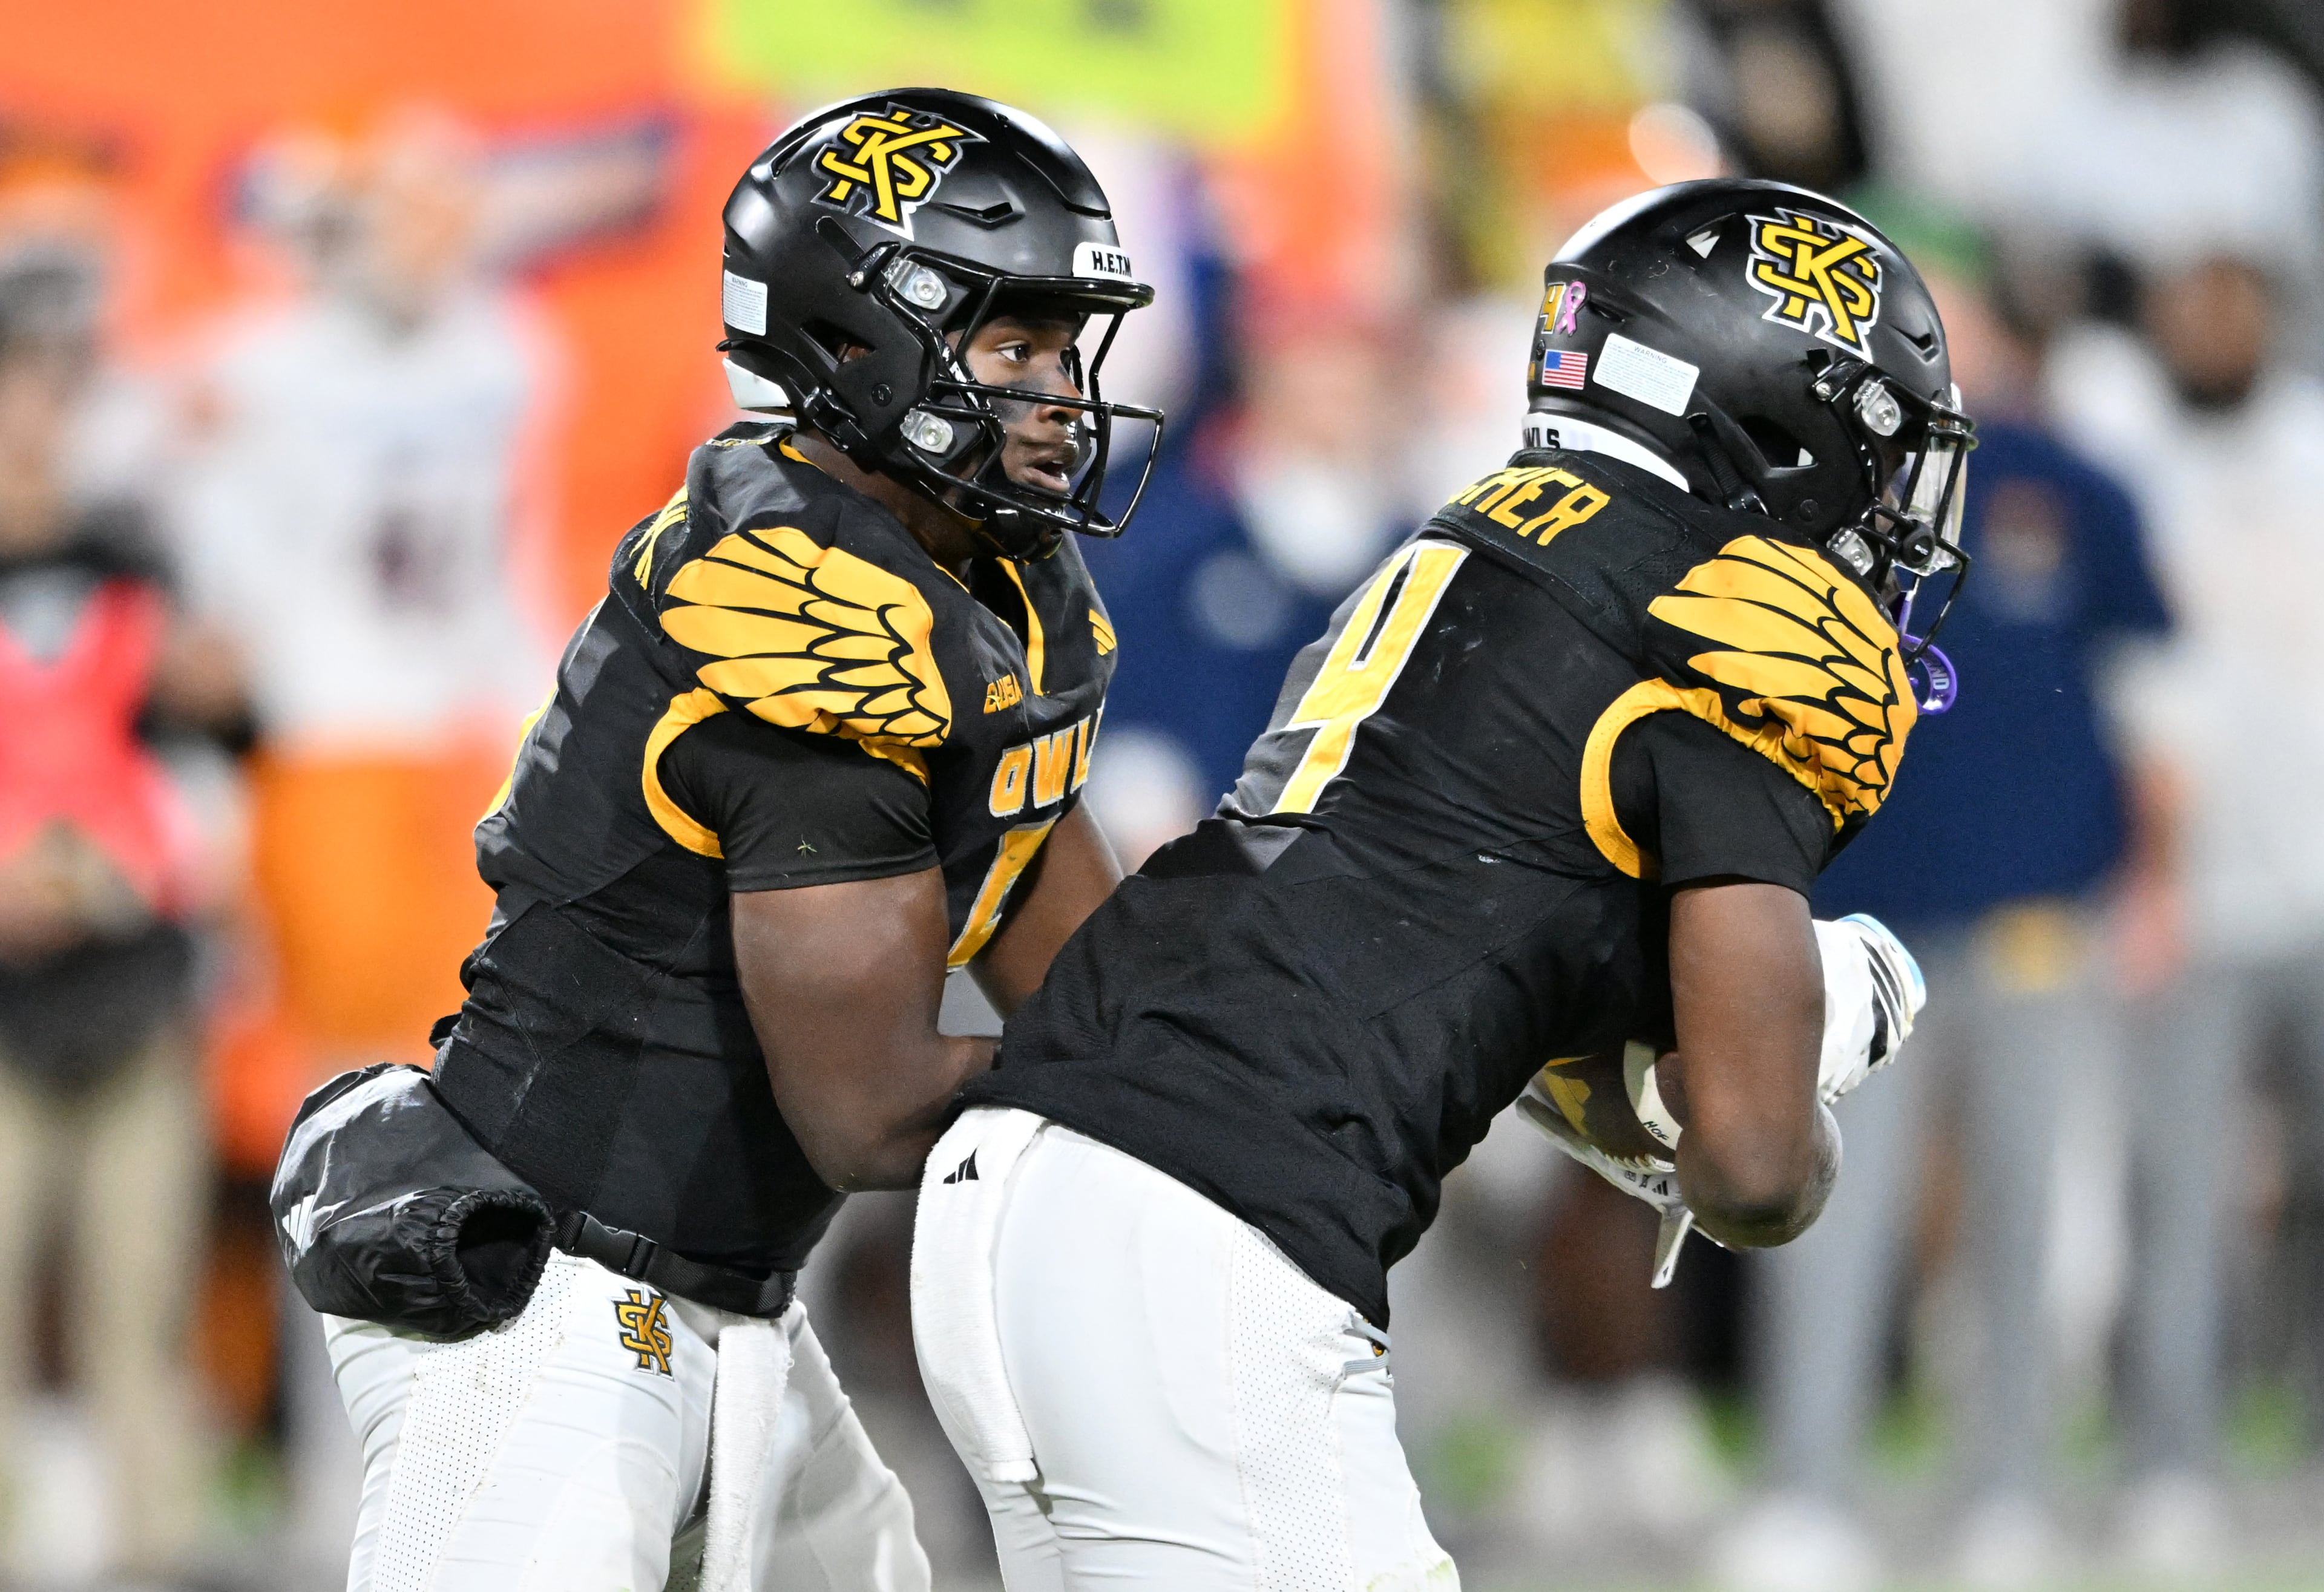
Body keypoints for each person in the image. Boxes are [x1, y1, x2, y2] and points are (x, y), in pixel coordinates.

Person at [911, 177, 1971, 1588]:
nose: (1886, 498)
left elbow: (1459, 915)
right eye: (1876, 437)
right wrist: (1816, 1040)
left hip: (1017, 1186)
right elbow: (1760, 1169)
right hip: (1208, 1227)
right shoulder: (1731, 620)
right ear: (1784, 411)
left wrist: (1618, 1051)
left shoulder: (1484, 527)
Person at [286, 90, 1164, 1592]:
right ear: (851, 341)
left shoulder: (985, 581)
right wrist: (1200, 1077)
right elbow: (874, 1109)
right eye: (1013, 345)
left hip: (725, 1297)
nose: (1060, 395)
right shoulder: (800, 604)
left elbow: (1096, 981)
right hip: (548, 1293)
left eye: (1068, 346)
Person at [1713, 214, 2173, 1592]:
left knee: (2032, 1201)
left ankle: (2013, 1487)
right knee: (1822, 1205)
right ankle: (1807, 1489)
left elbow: (2160, 717)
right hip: (1851, 922)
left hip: (2038, 909)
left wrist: (2155, 886)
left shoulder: (2076, 487)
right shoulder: (1798, 490)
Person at [0, 244, 247, 1580]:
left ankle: (159, 1540)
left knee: (137, 1295)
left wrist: (219, 688)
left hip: (133, 969)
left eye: (46, 385)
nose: (27, 416)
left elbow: (208, 743)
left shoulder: (133, 552)